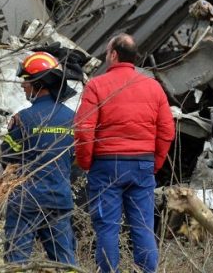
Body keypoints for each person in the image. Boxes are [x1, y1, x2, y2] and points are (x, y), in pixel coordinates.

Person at [75, 33, 175, 273]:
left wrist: (87, 162)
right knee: (143, 227)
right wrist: (155, 164)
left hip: (106, 165)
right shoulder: (153, 86)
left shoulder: (97, 85)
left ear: (113, 55)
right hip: (142, 166)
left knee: (107, 228)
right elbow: (167, 130)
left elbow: (83, 129)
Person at [1, 51, 78, 265]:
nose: (23, 86)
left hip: (26, 200)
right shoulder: (73, 120)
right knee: (65, 262)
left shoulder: (23, 119)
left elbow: (7, 157)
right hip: (58, 199)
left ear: (38, 83)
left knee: (16, 261)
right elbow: (75, 158)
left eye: (26, 80)